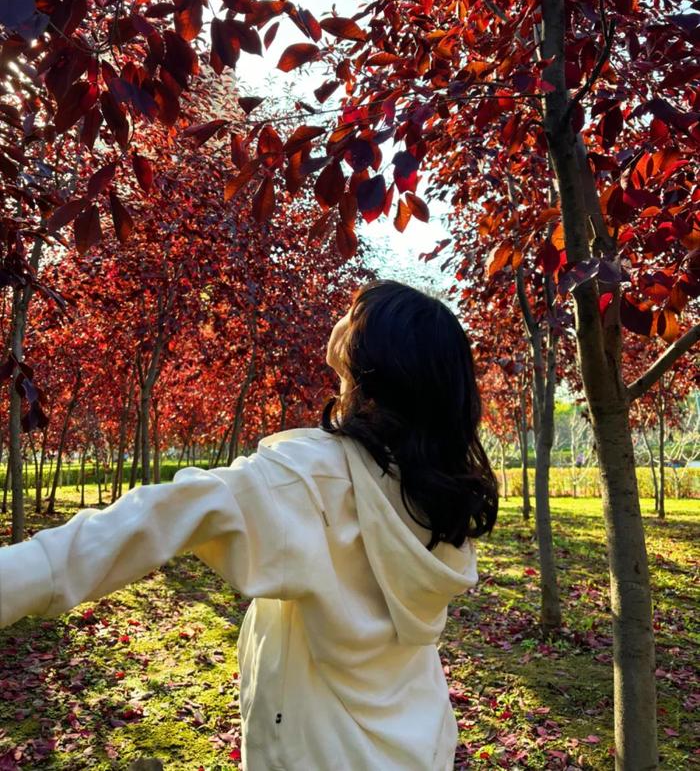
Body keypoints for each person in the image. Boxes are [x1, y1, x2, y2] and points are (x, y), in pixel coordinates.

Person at [0, 280, 498, 770]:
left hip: (321, 751)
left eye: (354, 314)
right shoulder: (438, 489)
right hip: (418, 739)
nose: (340, 320)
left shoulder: (308, 481)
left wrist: (16, 578)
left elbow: (153, 517)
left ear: (375, 359)